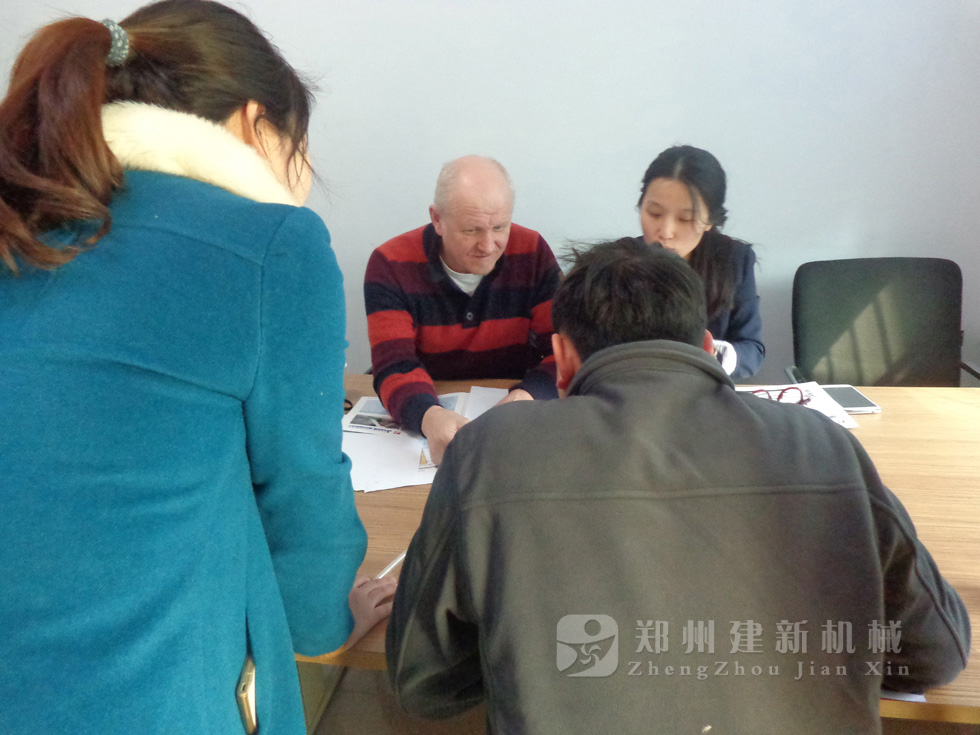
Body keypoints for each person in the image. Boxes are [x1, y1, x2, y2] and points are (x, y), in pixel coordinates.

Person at [385, 239, 970, 734]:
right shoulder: (823, 443)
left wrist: (524, 656)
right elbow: (938, 651)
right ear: (709, 348)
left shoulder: (489, 452)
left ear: (561, 359)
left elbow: (423, 683)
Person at [0, 3, 394, 734]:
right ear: (252, 125)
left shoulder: (23, 215)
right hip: (142, 697)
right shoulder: (270, 243)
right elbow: (303, 495)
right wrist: (325, 617)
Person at [364, 155, 560, 463]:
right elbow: (395, 365)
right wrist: (428, 416)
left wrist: (528, 396)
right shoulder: (390, 264)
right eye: (471, 230)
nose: (488, 245)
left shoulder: (532, 252)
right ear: (437, 219)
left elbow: (565, 351)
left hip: (513, 402)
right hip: (426, 404)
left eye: (500, 227)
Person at [638, 145, 764, 378]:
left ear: (710, 221)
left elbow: (752, 349)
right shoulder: (615, 262)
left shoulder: (734, 261)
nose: (666, 231)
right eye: (654, 213)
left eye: (685, 219)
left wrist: (715, 354)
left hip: (704, 390)